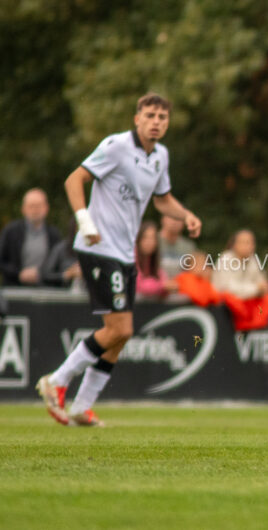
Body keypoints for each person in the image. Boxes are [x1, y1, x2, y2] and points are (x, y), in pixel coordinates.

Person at [36, 93, 201, 427]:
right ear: (137, 118)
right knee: (120, 328)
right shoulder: (116, 146)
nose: (156, 122)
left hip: (125, 254)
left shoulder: (161, 156)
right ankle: (56, 381)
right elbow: (74, 179)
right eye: (150, 115)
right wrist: (84, 220)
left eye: (162, 117)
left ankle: (82, 406)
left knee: (121, 334)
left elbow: (162, 199)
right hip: (98, 248)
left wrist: (186, 215)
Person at [214, 229, 268, 330]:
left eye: (251, 243)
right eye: (244, 242)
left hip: (248, 305)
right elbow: (227, 289)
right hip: (226, 310)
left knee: (267, 299)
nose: (248, 246)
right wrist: (256, 289)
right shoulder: (225, 259)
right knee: (230, 298)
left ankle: (256, 327)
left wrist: (260, 289)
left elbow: (263, 285)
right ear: (234, 245)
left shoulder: (253, 260)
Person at [0, 188, 62, 286]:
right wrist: (19, 274)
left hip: (46, 290)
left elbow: (59, 263)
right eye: (31, 206)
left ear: (46, 208)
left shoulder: (54, 234)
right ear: (23, 209)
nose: (35, 210)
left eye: (39, 206)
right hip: (14, 289)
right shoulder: (11, 231)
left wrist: (42, 274)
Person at [135, 220, 176, 299]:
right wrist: (162, 286)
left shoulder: (153, 260)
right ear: (138, 240)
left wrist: (167, 286)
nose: (149, 242)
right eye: (145, 237)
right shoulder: (131, 258)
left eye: (152, 238)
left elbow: (161, 276)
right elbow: (139, 285)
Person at [40, 218, 83, 290]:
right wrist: (66, 275)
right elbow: (45, 275)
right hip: (64, 293)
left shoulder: (98, 250)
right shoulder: (61, 249)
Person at [158, 214, 197, 279]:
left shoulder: (189, 246)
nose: (174, 222)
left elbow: (194, 271)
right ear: (163, 219)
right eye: (171, 218)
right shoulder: (152, 241)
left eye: (178, 219)